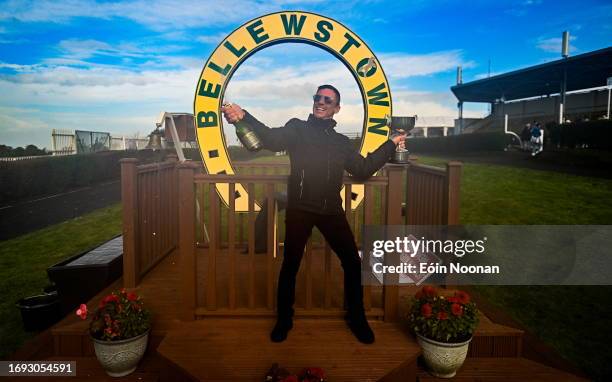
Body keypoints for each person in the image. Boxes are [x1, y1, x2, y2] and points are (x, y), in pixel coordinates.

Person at [222, 85, 406, 344]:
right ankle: (284, 319)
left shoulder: (341, 142)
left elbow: (363, 169)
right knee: (291, 265)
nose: (321, 102)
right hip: (300, 209)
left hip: (331, 210)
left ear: (336, 108)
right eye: (317, 98)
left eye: (327, 100)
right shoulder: (297, 128)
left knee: (353, 263)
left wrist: (391, 144)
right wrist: (245, 116)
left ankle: (357, 318)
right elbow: (272, 139)